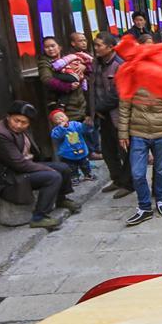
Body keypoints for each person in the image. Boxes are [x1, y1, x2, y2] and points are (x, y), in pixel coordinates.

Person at [0, 101, 80, 230]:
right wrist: (46, 168)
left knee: (63, 168)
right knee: (53, 176)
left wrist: (45, 167)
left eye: (24, 122)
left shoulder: (18, 131)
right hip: (7, 177)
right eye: (16, 120)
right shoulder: (0, 134)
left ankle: (61, 199)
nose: (19, 125)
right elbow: (19, 164)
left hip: (20, 169)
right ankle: (39, 217)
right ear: (8, 117)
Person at [118, 41, 162, 225]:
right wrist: (123, 134)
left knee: (161, 171)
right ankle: (144, 206)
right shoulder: (132, 80)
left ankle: (161, 199)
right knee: (138, 173)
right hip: (138, 133)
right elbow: (124, 109)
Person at [93, 31, 132, 198]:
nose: (96, 48)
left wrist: (100, 108)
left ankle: (129, 183)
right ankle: (116, 179)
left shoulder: (120, 65)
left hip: (117, 115)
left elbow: (118, 94)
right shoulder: (97, 63)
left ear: (110, 47)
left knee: (124, 150)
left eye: (99, 45)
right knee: (108, 151)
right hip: (103, 116)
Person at [68, 31, 101, 159]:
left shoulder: (88, 56)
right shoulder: (72, 58)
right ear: (73, 43)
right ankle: (89, 151)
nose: (83, 42)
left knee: (95, 122)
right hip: (81, 95)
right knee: (85, 124)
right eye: (80, 40)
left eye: (84, 40)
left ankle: (96, 147)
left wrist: (86, 66)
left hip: (93, 93)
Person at [38, 36, 87, 120]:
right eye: (46, 47)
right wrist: (67, 86)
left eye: (52, 46)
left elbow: (88, 66)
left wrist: (84, 67)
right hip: (64, 106)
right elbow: (47, 80)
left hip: (81, 103)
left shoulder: (67, 58)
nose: (50, 49)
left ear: (59, 47)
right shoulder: (45, 63)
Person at [49, 109, 95, 183]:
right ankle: (74, 177)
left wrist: (86, 124)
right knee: (71, 167)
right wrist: (62, 127)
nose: (60, 119)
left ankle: (87, 174)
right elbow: (57, 136)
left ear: (66, 117)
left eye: (62, 116)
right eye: (57, 118)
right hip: (67, 154)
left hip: (81, 149)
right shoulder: (56, 130)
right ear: (54, 122)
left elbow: (83, 130)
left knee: (85, 163)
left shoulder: (75, 124)